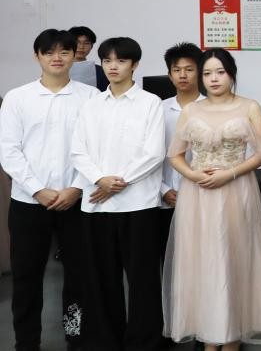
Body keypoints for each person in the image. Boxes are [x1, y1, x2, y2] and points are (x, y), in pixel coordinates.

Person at [164, 49, 261, 349]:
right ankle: (209, 339)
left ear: (231, 74)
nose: (214, 79)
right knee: (202, 264)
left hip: (236, 191)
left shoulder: (250, 107)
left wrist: (230, 173)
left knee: (233, 261)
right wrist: (194, 174)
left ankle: (231, 339)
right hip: (198, 196)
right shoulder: (191, 110)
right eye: (208, 73)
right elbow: (175, 155)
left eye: (220, 72)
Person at [1, 29, 98, 351]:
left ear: (74, 56)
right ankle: (26, 343)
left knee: (79, 276)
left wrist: (77, 188)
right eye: (49, 52)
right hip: (29, 203)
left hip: (76, 202)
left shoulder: (91, 98)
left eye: (64, 52)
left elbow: (98, 149)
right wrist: (37, 190)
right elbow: (9, 151)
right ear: (37, 56)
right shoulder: (17, 98)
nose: (57, 58)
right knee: (26, 277)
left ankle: (75, 337)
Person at [70, 37, 166, 350]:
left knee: (143, 280)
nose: (113, 66)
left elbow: (154, 153)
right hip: (97, 206)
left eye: (121, 60)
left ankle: (144, 341)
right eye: (108, 60)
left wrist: (116, 183)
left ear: (134, 65)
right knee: (100, 278)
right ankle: (104, 340)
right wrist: (101, 179)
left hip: (138, 204)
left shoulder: (150, 103)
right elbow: (78, 150)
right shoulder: (91, 104)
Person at [158, 43, 204, 243]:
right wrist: (163, 190)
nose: (182, 75)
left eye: (189, 70)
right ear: (170, 75)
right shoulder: (158, 109)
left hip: (202, 195)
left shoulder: (210, 108)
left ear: (200, 72)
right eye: (177, 70)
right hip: (164, 196)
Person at [68, 25, 108, 90]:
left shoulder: (100, 71)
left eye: (86, 43)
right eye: (77, 42)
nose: (81, 47)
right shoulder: (59, 69)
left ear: (91, 46)